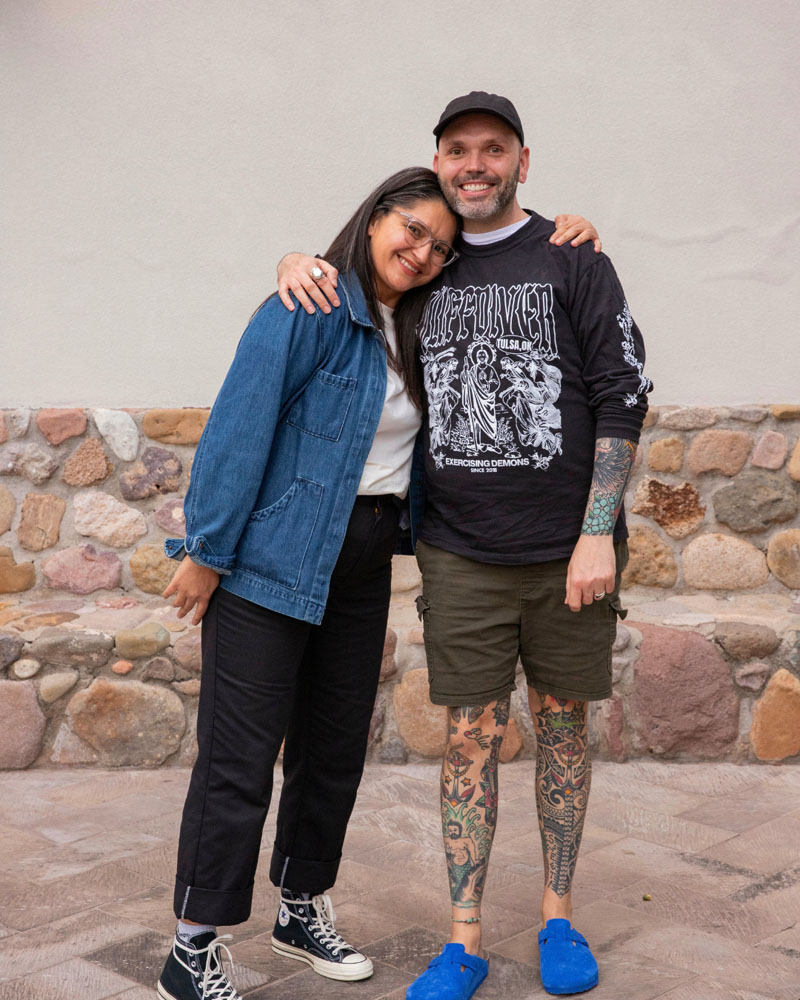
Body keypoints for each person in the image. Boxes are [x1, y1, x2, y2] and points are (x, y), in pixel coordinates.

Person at [276, 91, 651, 999]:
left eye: (493, 148)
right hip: (459, 550)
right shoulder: (423, 263)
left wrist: (596, 534)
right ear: (437, 160)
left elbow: (621, 392)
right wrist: (293, 259)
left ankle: (558, 919)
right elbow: (351, 281)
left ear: (522, 161)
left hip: (569, 553)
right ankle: (464, 939)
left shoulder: (574, 256)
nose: (474, 164)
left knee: (563, 735)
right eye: (457, 148)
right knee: (469, 743)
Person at [155, 166, 460, 1000]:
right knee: (240, 760)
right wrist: (207, 550)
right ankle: (191, 949)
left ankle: (300, 907)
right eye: (413, 230)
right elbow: (240, 426)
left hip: (361, 565)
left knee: (333, 752)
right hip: (270, 562)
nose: (422, 252)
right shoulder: (308, 306)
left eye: (440, 246)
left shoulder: (420, 329)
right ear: (376, 218)